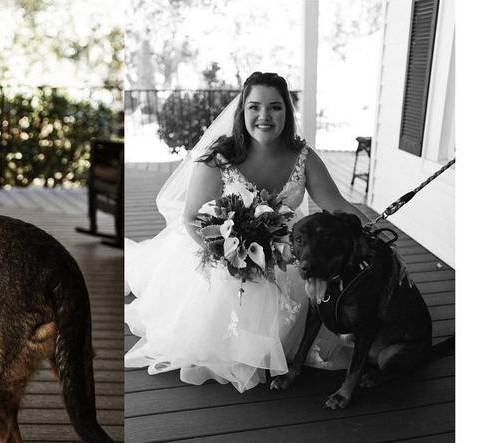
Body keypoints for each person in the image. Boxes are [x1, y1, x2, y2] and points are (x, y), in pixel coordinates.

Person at [125, 71, 363, 392]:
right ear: (242, 112)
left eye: (275, 107)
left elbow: (336, 203)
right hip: (223, 260)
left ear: (287, 113)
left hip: (285, 260)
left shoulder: (302, 157)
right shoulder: (219, 157)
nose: (264, 116)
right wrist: (230, 260)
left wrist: (373, 232)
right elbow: (192, 218)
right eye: (254, 107)